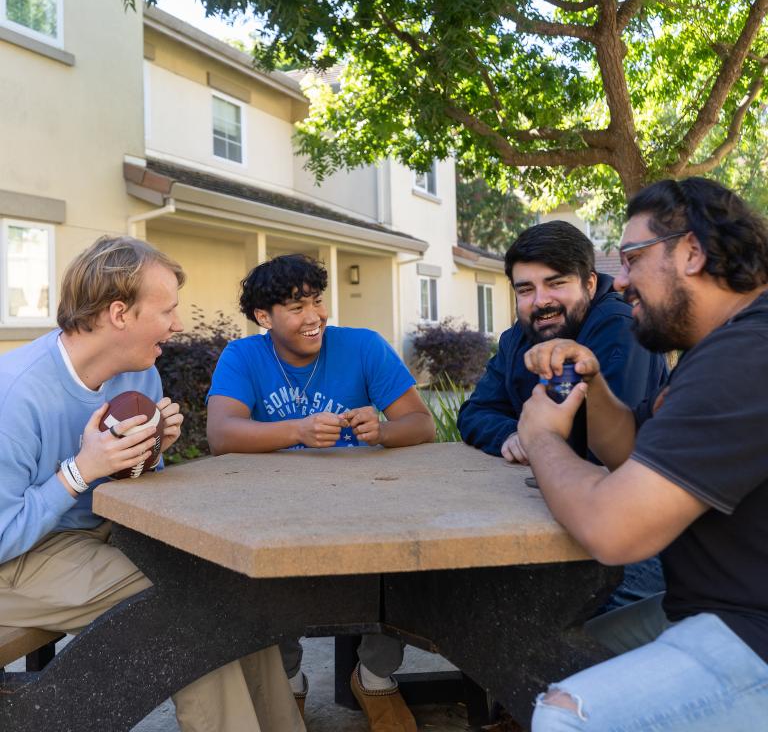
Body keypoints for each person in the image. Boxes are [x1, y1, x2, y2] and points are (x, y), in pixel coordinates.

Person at [0, 237, 304, 732]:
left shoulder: (138, 378)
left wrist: (147, 454)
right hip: (19, 558)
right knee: (185, 609)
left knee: (231, 590)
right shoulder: (14, 395)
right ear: (120, 313)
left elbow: (133, 489)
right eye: (167, 310)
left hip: (93, 538)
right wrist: (80, 471)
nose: (178, 324)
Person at [519, 178, 768, 731]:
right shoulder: (720, 348)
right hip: (707, 612)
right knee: (540, 657)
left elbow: (614, 531)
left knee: (567, 716)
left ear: (692, 251)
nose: (622, 281)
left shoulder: (747, 356)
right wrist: (593, 379)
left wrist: (541, 439)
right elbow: (631, 448)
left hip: (751, 632)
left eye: (631, 258)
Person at [207, 253, 435, 732]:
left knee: (404, 572)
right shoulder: (243, 356)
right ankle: (287, 680)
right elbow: (222, 434)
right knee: (264, 581)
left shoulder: (364, 346)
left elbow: (421, 423)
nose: (313, 317)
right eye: (295, 307)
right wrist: (298, 431)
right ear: (263, 317)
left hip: (367, 506)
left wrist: (382, 431)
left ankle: (374, 676)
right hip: (276, 512)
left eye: (316, 301)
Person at [457, 220, 667, 608]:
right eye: (526, 289)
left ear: (589, 283)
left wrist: (541, 439)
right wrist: (513, 435)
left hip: (635, 539)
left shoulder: (621, 328)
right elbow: (475, 412)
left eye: (556, 284)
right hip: (550, 519)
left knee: (553, 630)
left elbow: (604, 455)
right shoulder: (517, 337)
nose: (541, 301)